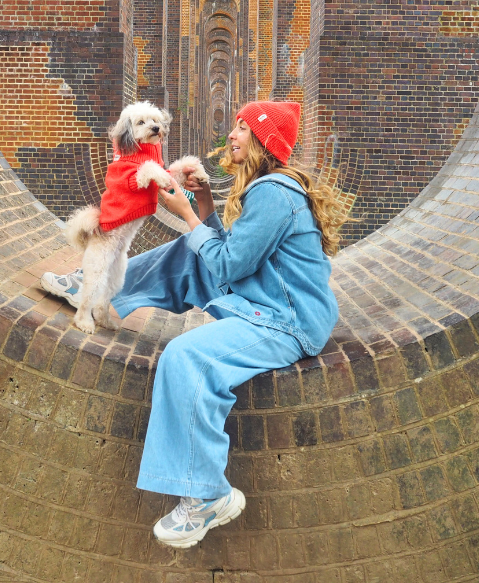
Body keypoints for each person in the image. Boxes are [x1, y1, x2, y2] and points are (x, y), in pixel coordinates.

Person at [41, 101, 348, 549]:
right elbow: (229, 254)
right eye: (236, 122)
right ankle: (91, 287)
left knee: (186, 357)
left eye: (244, 127)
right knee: (189, 253)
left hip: (285, 320)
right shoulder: (263, 187)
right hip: (261, 297)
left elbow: (228, 266)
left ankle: (208, 495)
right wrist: (202, 202)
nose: (233, 133)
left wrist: (185, 214)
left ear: (264, 142)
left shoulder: (273, 193)